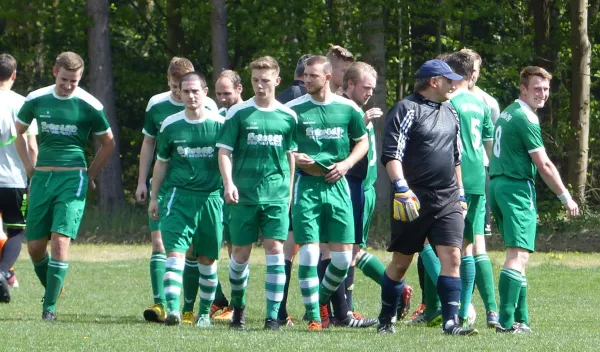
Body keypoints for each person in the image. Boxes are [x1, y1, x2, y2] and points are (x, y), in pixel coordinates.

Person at [376, 59, 477, 336]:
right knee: (401, 263)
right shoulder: (406, 109)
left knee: (453, 258)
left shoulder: (451, 112)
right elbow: (391, 154)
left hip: (447, 198)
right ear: (434, 82)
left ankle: (451, 322)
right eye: (449, 80)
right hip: (413, 198)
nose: (454, 84)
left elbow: (456, 157)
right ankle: (386, 318)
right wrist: (401, 187)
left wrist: (461, 194)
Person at [14, 51, 115, 321]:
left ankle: (50, 309)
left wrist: (90, 173)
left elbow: (109, 142)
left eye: (75, 81)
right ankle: (53, 289)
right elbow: (18, 133)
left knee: (60, 239)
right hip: (43, 178)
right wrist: (29, 169)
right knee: (35, 247)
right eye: (65, 80)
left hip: (73, 177)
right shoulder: (36, 98)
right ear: (54, 72)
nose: (69, 85)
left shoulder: (89, 104)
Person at [286, 55, 375, 330]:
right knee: (310, 253)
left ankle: (320, 299)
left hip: (338, 186)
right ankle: (314, 317)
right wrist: (295, 156)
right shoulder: (292, 110)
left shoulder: (347, 108)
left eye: (312, 76)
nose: (306, 80)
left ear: (326, 77)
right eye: (305, 76)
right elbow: (282, 145)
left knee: (342, 258)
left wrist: (347, 164)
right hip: (307, 185)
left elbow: (362, 142)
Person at [489, 66, 579, 333]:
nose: (542, 94)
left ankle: (522, 319)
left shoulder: (508, 112)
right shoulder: (525, 118)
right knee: (517, 255)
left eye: (546, 89)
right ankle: (505, 323)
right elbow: (544, 165)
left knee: (519, 255)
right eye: (537, 88)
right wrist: (565, 197)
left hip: (497, 185)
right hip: (516, 188)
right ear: (523, 89)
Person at [216, 56, 297, 330]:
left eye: (265, 80)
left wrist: (288, 192)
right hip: (244, 195)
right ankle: (238, 309)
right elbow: (224, 151)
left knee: (275, 250)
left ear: (277, 80)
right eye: (255, 81)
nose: (260, 86)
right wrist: (229, 183)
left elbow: (290, 156)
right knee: (240, 254)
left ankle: (272, 316)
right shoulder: (237, 114)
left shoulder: (288, 116)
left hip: (275, 195)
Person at [137, 57, 211, 325]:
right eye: (174, 86)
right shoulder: (157, 104)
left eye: (184, 87)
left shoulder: (208, 107)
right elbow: (148, 144)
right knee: (161, 244)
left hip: (197, 189)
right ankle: (162, 305)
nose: (180, 93)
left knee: (192, 250)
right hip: (165, 185)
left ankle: (189, 307)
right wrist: (142, 181)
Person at [148, 72, 225, 327]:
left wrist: (230, 187)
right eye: (186, 91)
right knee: (175, 253)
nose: (191, 96)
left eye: (196, 91)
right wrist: (154, 197)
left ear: (205, 92)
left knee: (207, 259)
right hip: (177, 197)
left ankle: (203, 313)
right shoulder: (170, 125)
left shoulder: (219, 124)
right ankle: (173, 310)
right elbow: (161, 163)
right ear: (179, 94)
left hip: (211, 199)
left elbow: (228, 160)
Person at [341, 62, 413, 321]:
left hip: (359, 188)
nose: (369, 92)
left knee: (346, 250)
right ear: (350, 84)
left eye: (372, 88)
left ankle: (343, 310)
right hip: (355, 187)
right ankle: (333, 309)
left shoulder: (358, 111)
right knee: (345, 250)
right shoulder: (346, 109)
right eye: (365, 87)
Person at [442, 51, 496, 327]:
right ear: (470, 73)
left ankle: (458, 310)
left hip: (455, 177)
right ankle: (471, 309)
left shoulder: (449, 103)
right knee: (470, 244)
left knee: (451, 246)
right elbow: (489, 146)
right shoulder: (481, 104)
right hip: (479, 176)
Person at [275, 53, 312, 327]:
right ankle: (318, 312)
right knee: (307, 248)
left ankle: (279, 309)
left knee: (286, 249)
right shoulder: (302, 102)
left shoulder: (280, 98)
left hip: (285, 182)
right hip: (303, 181)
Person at [0, 53, 38, 302]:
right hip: (13, 179)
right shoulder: (23, 104)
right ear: (14, 74)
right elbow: (32, 146)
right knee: (16, 231)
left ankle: (5, 273)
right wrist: (33, 175)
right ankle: (3, 271)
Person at [209, 69, 244, 321]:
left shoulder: (250, 113)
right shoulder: (217, 117)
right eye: (218, 93)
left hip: (246, 192)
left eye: (227, 93)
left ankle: (234, 304)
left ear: (239, 89)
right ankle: (218, 300)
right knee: (209, 245)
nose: (222, 98)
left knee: (236, 249)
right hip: (219, 191)